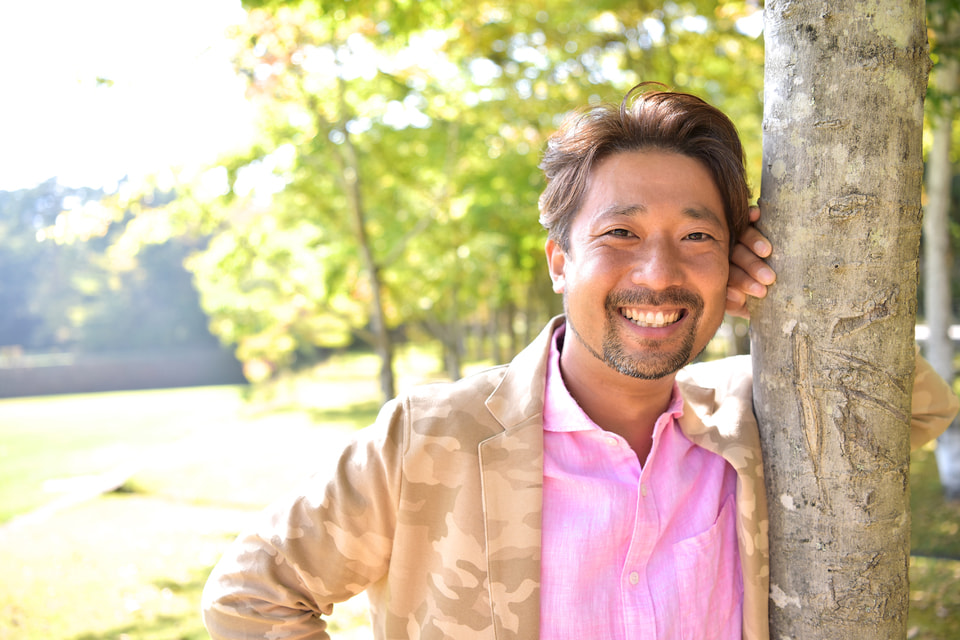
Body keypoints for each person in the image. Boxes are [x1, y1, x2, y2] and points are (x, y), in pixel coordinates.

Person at [201, 85, 958, 640]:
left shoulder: (755, 419)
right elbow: (250, 595)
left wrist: (791, 301)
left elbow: (919, 408)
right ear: (560, 262)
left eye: (697, 237)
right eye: (620, 234)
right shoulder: (429, 439)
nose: (659, 273)